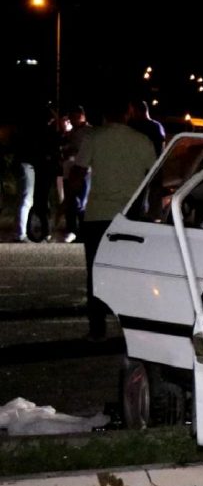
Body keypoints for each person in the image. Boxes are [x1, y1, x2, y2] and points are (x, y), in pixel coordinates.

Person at [71, 99, 157, 340]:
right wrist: (153, 211)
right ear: (128, 112)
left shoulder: (94, 138)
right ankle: (130, 327)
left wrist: (70, 203)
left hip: (98, 214)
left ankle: (97, 327)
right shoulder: (142, 141)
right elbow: (155, 177)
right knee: (128, 271)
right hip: (129, 217)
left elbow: (77, 174)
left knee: (95, 272)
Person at [13, 106, 62, 242]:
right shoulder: (42, 130)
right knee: (29, 199)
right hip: (33, 165)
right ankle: (22, 233)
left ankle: (29, 231)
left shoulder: (32, 129)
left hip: (35, 166)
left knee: (32, 199)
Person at [61, 106, 92, 243]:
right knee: (70, 201)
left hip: (83, 172)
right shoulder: (71, 131)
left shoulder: (89, 132)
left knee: (81, 202)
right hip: (68, 171)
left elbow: (87, 152)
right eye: (70, 118)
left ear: (81, 116)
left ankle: (83, 231)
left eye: (74, 117)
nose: (71, 121)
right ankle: (72, 230)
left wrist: (72, 151)